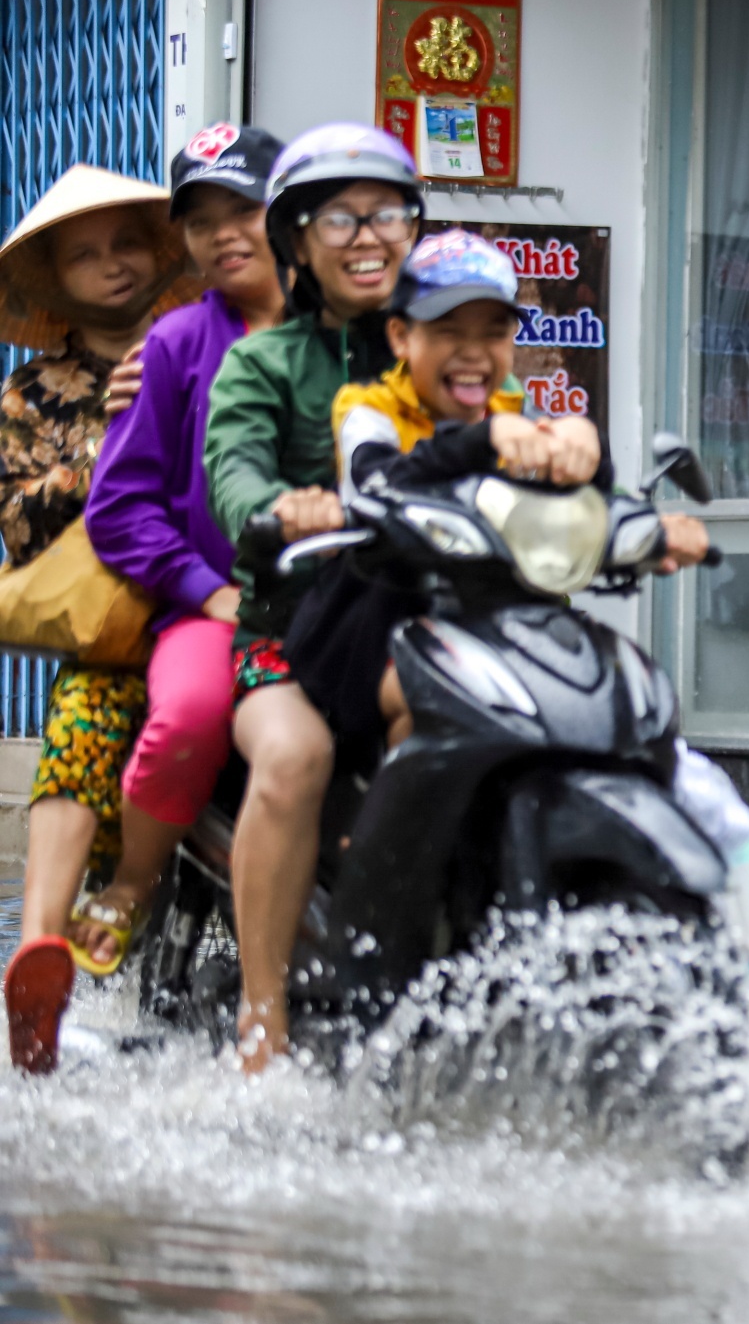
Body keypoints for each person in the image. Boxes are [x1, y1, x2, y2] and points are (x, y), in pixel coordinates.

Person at [203, 123, 423, 1073]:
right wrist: (274, 508)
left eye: (388, 213)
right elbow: (234, 471)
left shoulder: (434, 344)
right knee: (293, 756)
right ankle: (264, 1025)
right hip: (288, 634)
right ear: (295, 241)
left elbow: (502, 423)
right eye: (340, 216)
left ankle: (428, 962)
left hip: (415, 625)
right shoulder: (261, 364)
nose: (368, 234)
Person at [74, 126, 288, 988]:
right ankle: (132, 880)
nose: (225, 233)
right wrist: (204, 591)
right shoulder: (172, 346)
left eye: (245, 208)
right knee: (188, 716)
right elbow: (117, 508)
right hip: (212, 610)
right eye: (202, 221)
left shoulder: (356, 334)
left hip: (340, 601)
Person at [0, 165, 199, 1073]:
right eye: (87, 254)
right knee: (83, 714)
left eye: (127, 243)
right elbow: (18, 520)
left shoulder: (208, 345)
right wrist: (107, 444)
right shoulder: (28, 395)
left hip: (217, 602)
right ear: (56, 280)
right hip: (119, 632)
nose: (113, 265)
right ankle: (41, 955)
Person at [287, 227, 610, 759]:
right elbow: (378, 480)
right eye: (447, 331)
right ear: (400, 337)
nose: (472, 353)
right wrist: (483, 440)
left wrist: (588, 450)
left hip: (502, 625)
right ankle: (394, 842)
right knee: (433, 702)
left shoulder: (515, 411)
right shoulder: (368, 409)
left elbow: (579, 491)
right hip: (377, 634)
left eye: (493, 333)